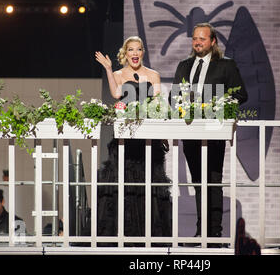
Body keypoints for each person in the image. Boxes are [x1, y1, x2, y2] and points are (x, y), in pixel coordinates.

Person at [169, 22, 248, 247]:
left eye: (202, 39)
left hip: (214, 133)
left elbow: (242, 94)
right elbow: (174, 97)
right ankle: (200, 233)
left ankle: (214, 235)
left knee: (212, 181)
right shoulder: (184, 65)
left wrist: (221, 104)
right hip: (190, 133)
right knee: (198, 182)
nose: (197, 42)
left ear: (213, 41)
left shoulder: (226, 65)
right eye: (195, 38)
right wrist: (180, 105)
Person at [94, 36, 172, 245]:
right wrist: (109, 70)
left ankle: (150, 237)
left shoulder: (153, 75)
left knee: (150, 186)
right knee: (124, 187)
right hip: (126, 141)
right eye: (131, 50)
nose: (135, 53)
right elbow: (116, 93)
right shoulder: (119, 74)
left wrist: (163, 135)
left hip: (148, 140)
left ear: (142, 52)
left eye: (138, 49)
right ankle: (121, 237)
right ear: (125, 53)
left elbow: (158, 107)